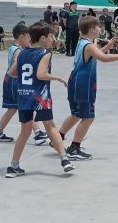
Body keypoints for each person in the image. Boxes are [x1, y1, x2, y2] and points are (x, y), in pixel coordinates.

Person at [57, 17, 118, 160]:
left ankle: (58, 138)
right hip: (83, 84)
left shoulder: (83, 43)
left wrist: (109, 45)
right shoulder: (88, 45)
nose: (100, 30)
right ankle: (74, 148)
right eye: (98, 27)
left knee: (76, 114)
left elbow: (96, 54)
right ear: (92, 29)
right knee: (88, 117)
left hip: (75, 83)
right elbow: (103, 58)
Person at [5, 21, 75, 178]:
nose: (53, 39)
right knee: (50, 127)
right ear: (43, 38)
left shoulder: (22, 52)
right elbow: (40, 75)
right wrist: (57, 77)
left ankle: (13, 166)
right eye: (51, 36)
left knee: (25, 131)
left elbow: (12, 73)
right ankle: (64, 160)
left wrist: (25, 79)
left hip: (23, 95)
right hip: (40, 96)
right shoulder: (45, 53)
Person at [0, 24, 49, 145]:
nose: (29, 40)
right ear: (22, 37)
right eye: (28, 37)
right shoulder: (19, 51)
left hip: (8, 81)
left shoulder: (13, 48)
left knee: (12, 108)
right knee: (26, 107)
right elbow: (18, 66)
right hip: (15, 82)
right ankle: (38, 133)